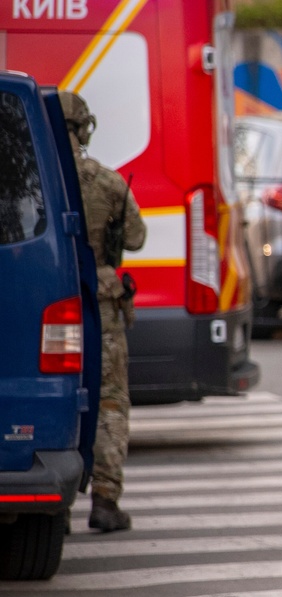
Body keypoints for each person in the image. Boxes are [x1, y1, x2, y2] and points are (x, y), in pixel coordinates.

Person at [61, 92, 147, 534]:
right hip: (102, 304)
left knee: (55, 394)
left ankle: (53, 502)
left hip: (48, 300)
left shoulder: (34, 175)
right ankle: (106, 500)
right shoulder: (108, 182)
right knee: (110, 401)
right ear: (84, 129)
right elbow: (135, 238)